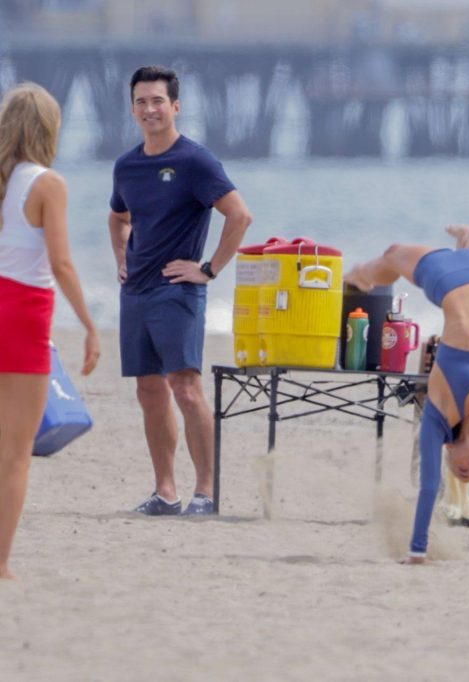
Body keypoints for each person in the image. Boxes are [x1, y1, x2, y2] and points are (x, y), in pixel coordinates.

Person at [346, 217, 469, 566]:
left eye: (464, 472)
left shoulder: (443, 412)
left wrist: (418, 552)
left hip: (448, 279)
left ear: (448, 448)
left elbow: (429, 486)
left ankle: (361, 274)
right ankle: (465, 238)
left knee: (392, 255)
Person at [108, 65, 252, 516]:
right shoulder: (127, 164)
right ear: (132, 108)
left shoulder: (195, 161)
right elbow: (118, 216)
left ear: (175, 106)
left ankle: (206, 493)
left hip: (177, 292)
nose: (149, 109)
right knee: (149, 392)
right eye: (141, 101)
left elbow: (240, 216)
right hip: (136, 294)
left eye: (157, 101)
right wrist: (121, 259)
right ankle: (165, 492)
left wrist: (208, 269)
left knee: (186, 389)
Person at [0, 83, 101, 579]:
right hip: (22, 313)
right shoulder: (48, 184)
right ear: (49, 128)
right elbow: (60, 261)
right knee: (15, 454)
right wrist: (89, 324)